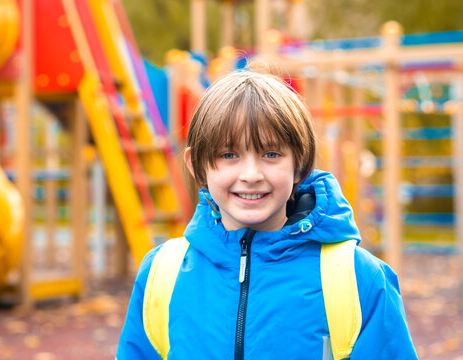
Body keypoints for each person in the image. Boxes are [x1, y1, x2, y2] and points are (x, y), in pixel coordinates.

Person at [116, 68, 418, 359]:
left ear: (300, 165)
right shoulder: (161, 273)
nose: (250, 174)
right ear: (197, 165)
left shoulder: (359, 278)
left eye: (270, 154)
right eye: (228, 155)